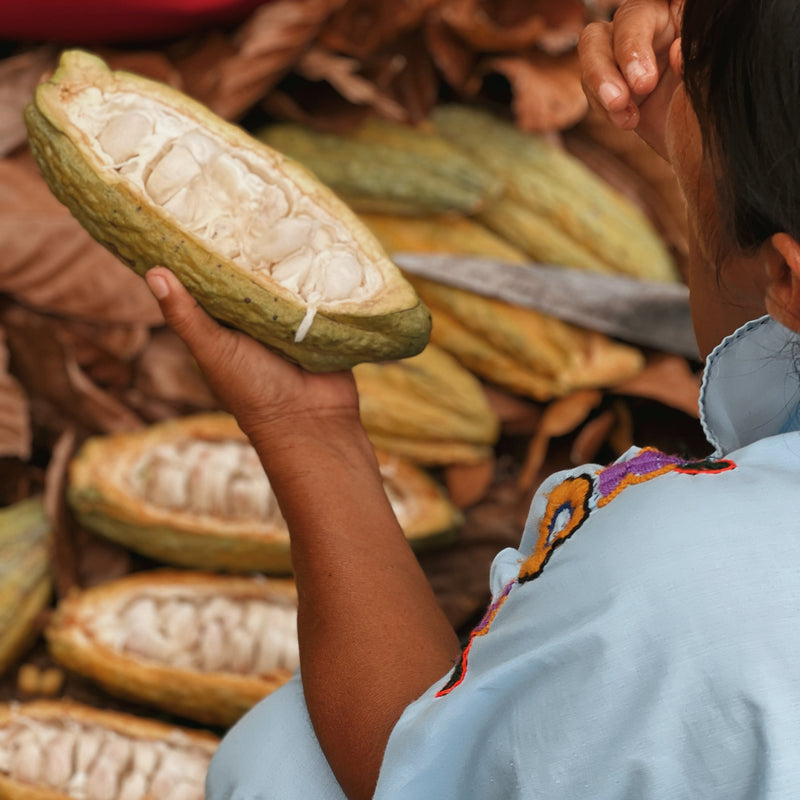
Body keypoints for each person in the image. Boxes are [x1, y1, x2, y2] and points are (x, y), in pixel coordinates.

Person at [144, 0, 800, 795]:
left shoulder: (674, 578)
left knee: (286, 757)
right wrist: (714, 140)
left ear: (789, 280)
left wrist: (308, 429)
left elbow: (411, 772)